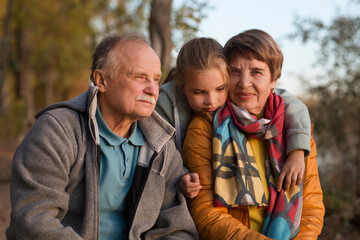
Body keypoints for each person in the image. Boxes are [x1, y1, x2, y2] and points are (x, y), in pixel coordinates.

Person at [6, 33, 198, 239]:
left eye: (156, 79)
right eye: (140, 77)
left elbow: (178, 228)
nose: (153, 89)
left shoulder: (161, 146)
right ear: (102, 80)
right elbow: (35, 220)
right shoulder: (57, 131)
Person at [182, 29, 325, 239]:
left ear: (274, 79)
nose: (244, 83)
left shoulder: (296, 134)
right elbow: (206, 213)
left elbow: (311, 207)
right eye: (234, 71)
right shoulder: (204, 128)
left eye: (256, 72)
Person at [156, 37, 311, 199]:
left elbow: (290, 102)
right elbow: (161, 154)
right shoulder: (165, 105)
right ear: (182, 88)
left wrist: (297, 151)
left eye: (220, 89)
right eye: (199, 92)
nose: (212, 100)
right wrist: (182, 175)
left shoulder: (235, 94)